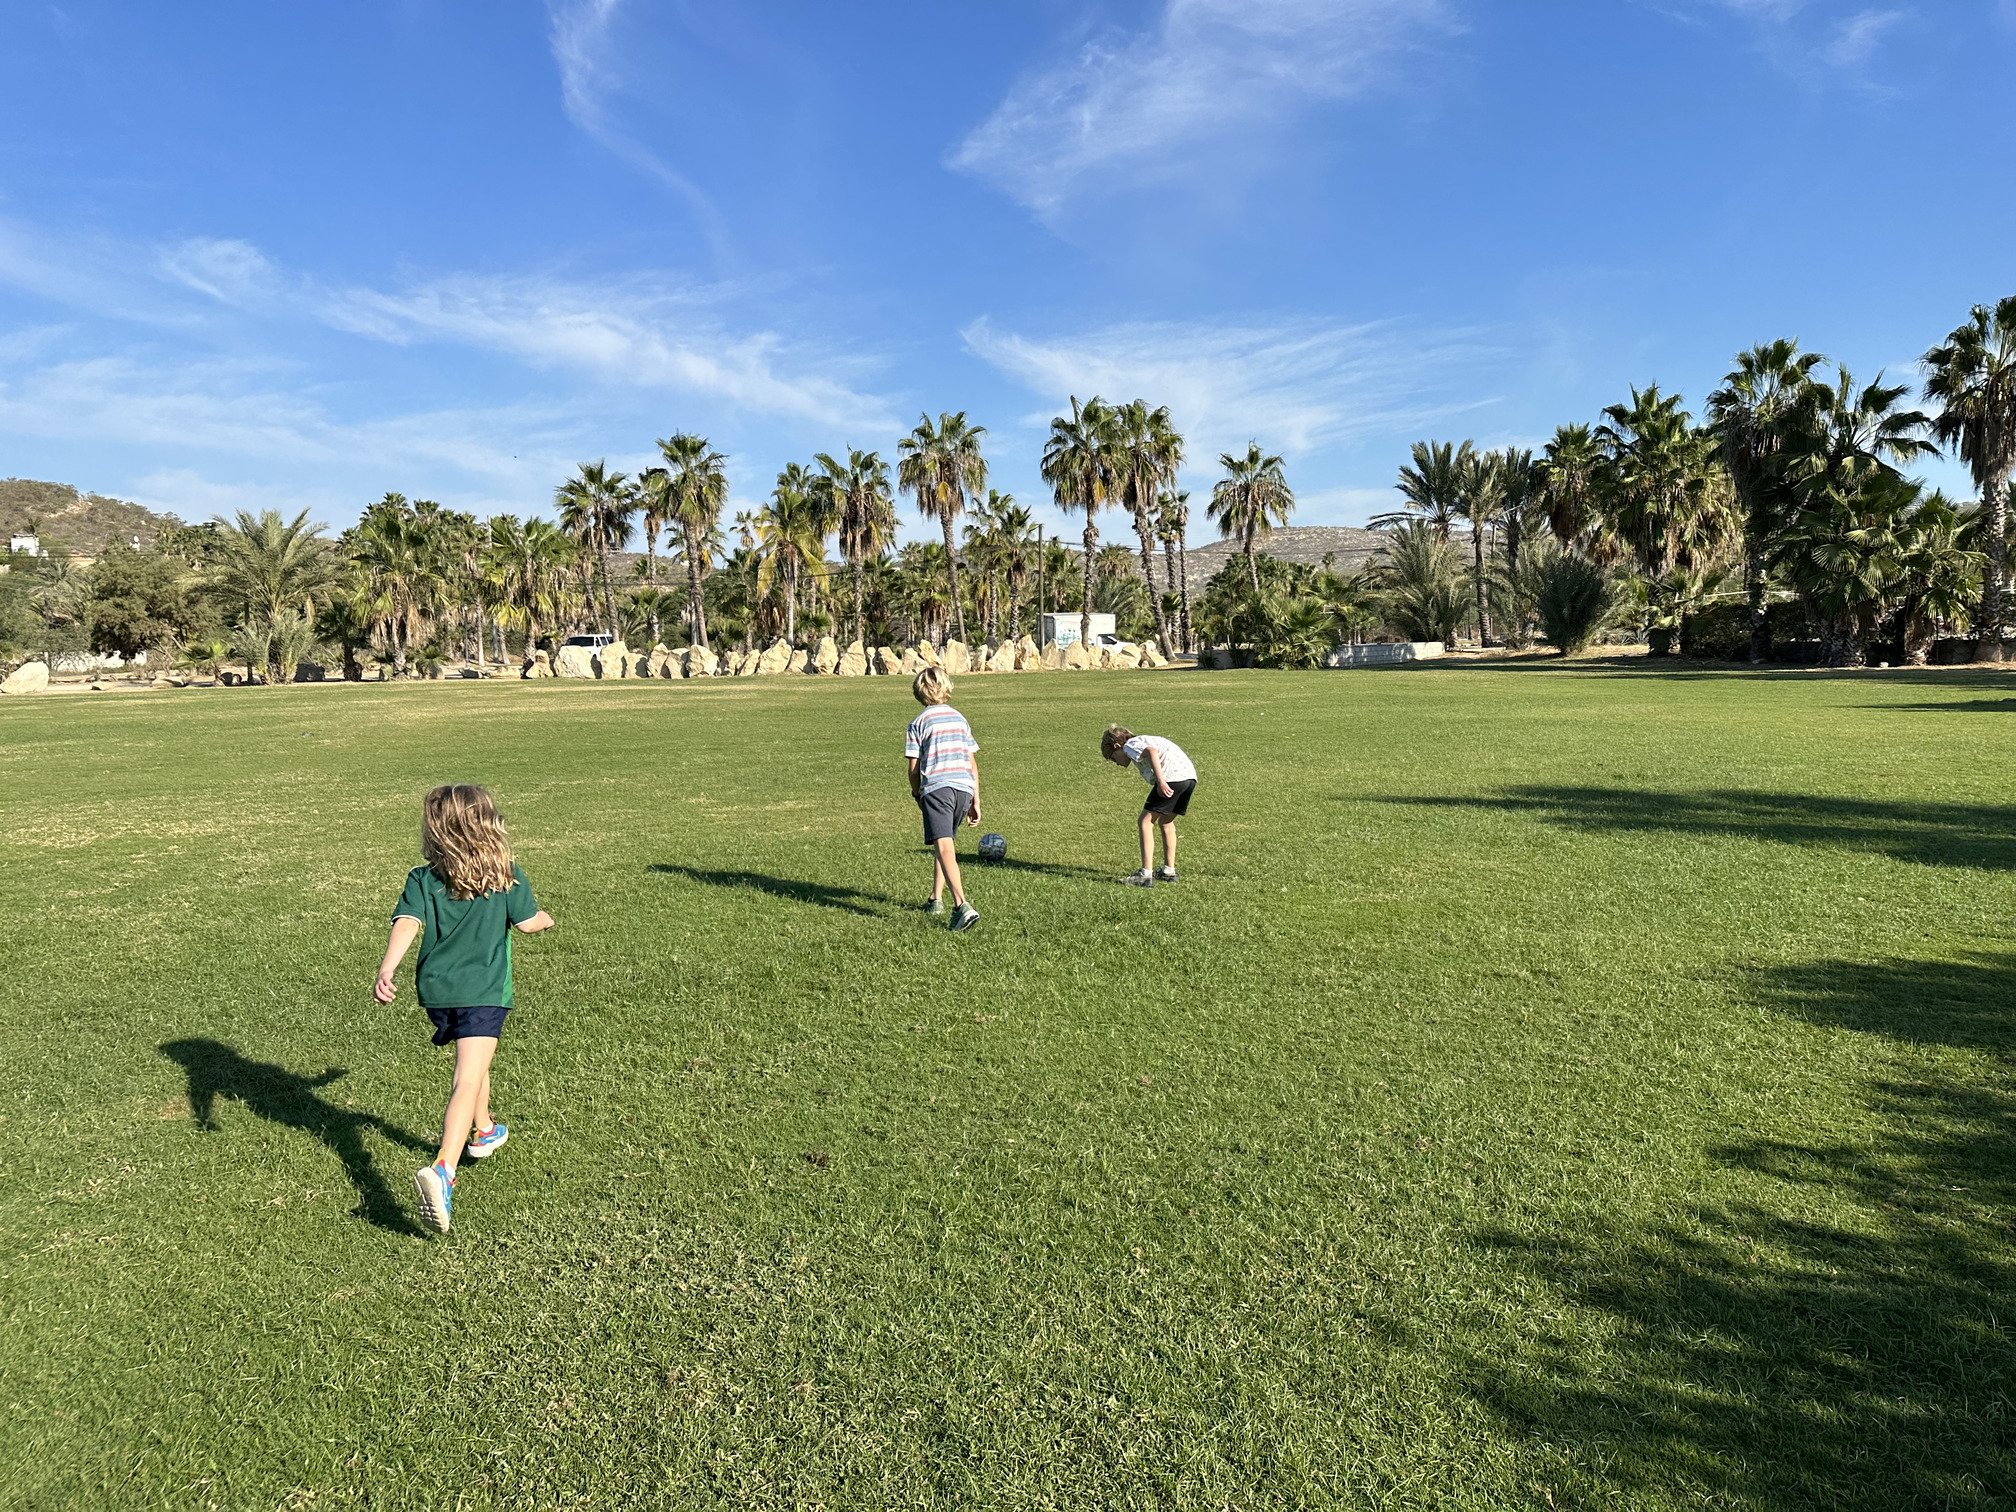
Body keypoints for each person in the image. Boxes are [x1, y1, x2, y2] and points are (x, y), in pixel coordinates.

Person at [373, 783, 554, 1233]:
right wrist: (547, 919)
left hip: (437, 993)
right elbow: (529, 924)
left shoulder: (421, 878)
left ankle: (485, 1130)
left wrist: (387, 969)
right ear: (489, 825)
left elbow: (407, 923)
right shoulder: (506, 875)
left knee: (477, 1062)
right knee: (466, 1076)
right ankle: (443, 1170)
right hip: (485, 992)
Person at [905, 668, 982, 932]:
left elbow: (913, 768)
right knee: (944, 843)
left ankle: (962, 906)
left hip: (937, 788)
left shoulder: (918, 723)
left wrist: (917, 792)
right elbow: (972, 763)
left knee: (945, 847)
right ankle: (935, 898)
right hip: (963, 789)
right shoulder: (960, 719)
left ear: (918, 692)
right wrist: (975, 800)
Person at [1101, 725, 1198, 886]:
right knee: (1166, 821)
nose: (1116, 762)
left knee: (1145, 822)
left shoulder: (1129, 745)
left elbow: (1152, 752)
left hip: (1171, 777)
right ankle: (1168, 871)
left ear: (1117, 746)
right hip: (1188, 778)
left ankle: (1145, 875)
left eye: (1113, 757)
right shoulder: (1143, 739)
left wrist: (1161, 781)